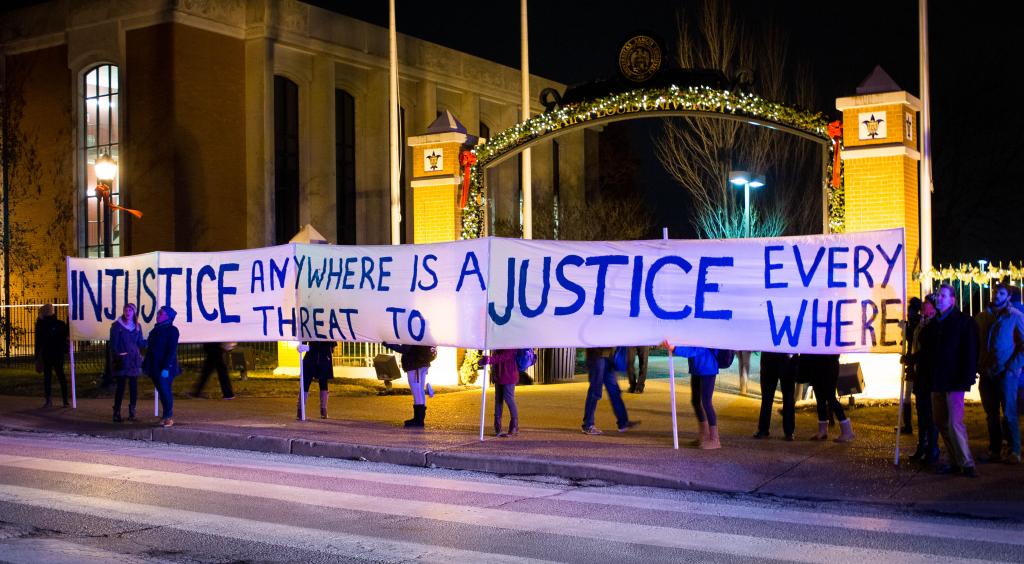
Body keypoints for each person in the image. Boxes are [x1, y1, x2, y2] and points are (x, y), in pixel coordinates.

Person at [926, 283, 979, 477]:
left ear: (953, 300)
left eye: (943, 296)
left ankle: (967, 462)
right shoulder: (935, 323)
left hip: (955, 379)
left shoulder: (964, 322)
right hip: (938, 379)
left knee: (954, 423)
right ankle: (954, 460)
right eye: (938, 295)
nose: (938, 298)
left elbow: (971, 351)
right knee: (940, 421)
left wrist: (968, 376)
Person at [975, 283, 1024, 464]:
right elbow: (975, 343)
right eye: (995, 292)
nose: (996, 295)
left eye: (1001, 293)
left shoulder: (1015, 317)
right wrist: (977, 365)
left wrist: (1013, 366)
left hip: (1006, 374)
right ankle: (994, 449)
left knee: (1009, 413)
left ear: (1008, 297)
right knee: (991, 414)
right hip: (986, 373)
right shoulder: (981, 317)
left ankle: (1014, 451)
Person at [662, 341, 721, 449]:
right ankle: (704, 435)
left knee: (706, 403)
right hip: (697, 369)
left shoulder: (705, 333)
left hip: (707, 368)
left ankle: (715, 439)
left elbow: (695, 350)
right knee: (695, 401)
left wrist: (675, 348)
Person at [904, 296, 940, 462]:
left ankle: (932, 449)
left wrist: (912, 359)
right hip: (920, 374)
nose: (923, 308)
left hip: (930, 375)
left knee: (930, 415)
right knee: (922, 414)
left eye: (927, 305)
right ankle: (922, 446)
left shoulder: (936, 325)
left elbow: (929, 351)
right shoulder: (921, 323)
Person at [581, 347, 639, 435]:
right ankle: (588, 424)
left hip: (607, 357)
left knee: (614, 390)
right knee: (595, 391)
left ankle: (623, 422)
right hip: (597, 356)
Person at [801, 353, 855, 442]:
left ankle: (847, 431)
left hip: (828, 367)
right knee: (820, 399)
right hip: (816, 367)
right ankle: (822, 431)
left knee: (830, 398)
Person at [142, 306, 180, 427]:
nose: (158, 315)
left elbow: (171, 350)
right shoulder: (155, 330)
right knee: (162, 391)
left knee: (165, 391)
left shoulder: (172, 330)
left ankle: (168, 416)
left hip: (165, 367)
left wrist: (166, 368)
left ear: (168, 316)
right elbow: (150, 348)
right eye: (158, 313)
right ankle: (165, 416)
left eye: (161, 313)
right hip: (154, 366)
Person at [382, 343, 435, 428]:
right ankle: (419, 419)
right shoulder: (420, 334)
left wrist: (388, 344)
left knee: (417, 391)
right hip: (421, 364)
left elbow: (404, 349)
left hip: (415, 365)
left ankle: (418, 420)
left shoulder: (412, 335)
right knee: (420, 390)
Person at [109, 303, 145, 422]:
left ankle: (132, 411)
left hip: (134, 360)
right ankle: (117, 412)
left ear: (134, 312)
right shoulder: (117, 326)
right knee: (121, 387)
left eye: (130, 310)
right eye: (126, 310)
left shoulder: (137, 326)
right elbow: (113, 344)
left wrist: (152, 341)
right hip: (123, 360)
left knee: (133, 386)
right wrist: (119, 354)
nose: (128, 312)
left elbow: (140, 342)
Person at [753, 352, 796, 441]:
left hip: (781, 359)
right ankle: (787, 431)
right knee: (769, 397)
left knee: (784, 398)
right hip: (779, 359)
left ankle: (766, 429)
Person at [34, 304, 69, 408]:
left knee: (47, 378)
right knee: (61, 376)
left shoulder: (42, 325)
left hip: (47, 354)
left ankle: (49, 400)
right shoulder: (60, 324)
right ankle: (65, 400)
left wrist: (37, 357)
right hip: (58, 354)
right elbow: (66, 335)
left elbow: (38, 342)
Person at [480, 349, 520, 436]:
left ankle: (514, 425)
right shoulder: (499, 341)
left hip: (509, 374)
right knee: (498, 400)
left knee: (509, 399)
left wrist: (489, 360)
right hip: (499, 374)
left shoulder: (511, 342)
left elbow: (504, 356)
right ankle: (497, 427)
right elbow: (497, 356)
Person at [901, 297, 923, 435]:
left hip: (914, 362)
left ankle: (909, 425)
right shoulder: (912, 323)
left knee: (910, 394)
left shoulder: (918, 324)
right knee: (907, 395)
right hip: (911, 361)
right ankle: (907, 424)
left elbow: (914, 343)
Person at [298, 340, 336, 419]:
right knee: (319, 382)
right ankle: (323, 410)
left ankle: (301, 410)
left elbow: (304, 341)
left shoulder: (311, 328)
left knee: (308, 382)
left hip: (315, 355)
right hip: (321, 356)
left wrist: (304, 346)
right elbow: (332, 346)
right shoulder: (327, 328)